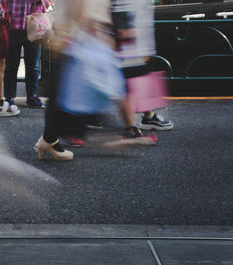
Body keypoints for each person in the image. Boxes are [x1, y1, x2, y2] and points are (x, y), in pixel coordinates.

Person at [34, 0, 126, 161]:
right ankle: (54, 138)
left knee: (65, 88)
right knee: (71, 89)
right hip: (80, 36)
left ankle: (50, 139)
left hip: (74, 35)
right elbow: (82, 8)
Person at [113, 0, 172, 138]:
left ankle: (145, 118)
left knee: (136, 79)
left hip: (133, 37)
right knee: (129, 81)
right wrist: (123, 29)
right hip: (128, 38)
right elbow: (119, 7)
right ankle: (132, 127)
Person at [3, 0, 49, 109]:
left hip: (35, 27)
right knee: (11, 65)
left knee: (33, 66)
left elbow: (46, 3)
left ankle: (31, 97)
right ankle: (9, 97)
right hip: (13, 26)